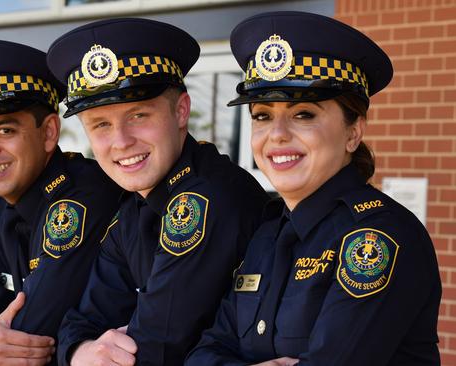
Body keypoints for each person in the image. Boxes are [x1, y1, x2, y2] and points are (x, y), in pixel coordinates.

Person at [186, 11, 441, 365]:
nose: (276, 135)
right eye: (262, 115)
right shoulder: (267, 233)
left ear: (354, 132)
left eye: (303, 114)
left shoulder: (376, 238)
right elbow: (202, 353)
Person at [46, 18, 270, 366]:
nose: (121, 142)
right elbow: (82, 320)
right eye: (101, 124)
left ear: (181, 111)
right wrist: (80, 353)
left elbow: (156, 347)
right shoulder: (136, 206)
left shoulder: (208, 196)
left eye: (138, 115)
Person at [0, 40, 123, 366]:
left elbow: (33, 335)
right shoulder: (1, 206)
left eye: (4, 130)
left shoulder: (83, 196)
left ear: (49, 132)